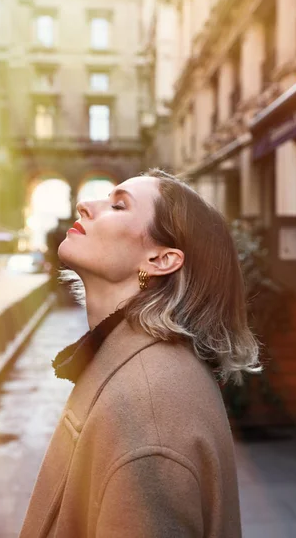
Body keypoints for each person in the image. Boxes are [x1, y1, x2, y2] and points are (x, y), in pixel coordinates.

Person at [19, 168, 261, 538]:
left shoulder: (149, 412)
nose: (84, 205)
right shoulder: (138, 369)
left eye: (118, 206)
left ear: (161, 260)